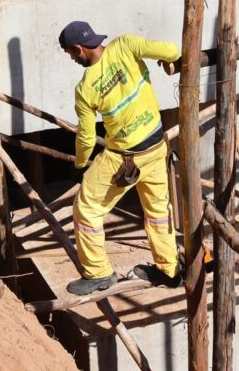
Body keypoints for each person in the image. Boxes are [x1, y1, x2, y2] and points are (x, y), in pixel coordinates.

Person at [60, 20, 182, 295]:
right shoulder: (126, 45)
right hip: (156, 147)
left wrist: (79, 164)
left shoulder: (86, 88)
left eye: (70, 53)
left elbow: (87, 138)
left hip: (124, 158)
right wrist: (168, 59)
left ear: (79, 48)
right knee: (158, 212)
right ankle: (169, 270)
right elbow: (172, 51)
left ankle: (98, 273)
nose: (71, 58)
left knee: (86, 209)